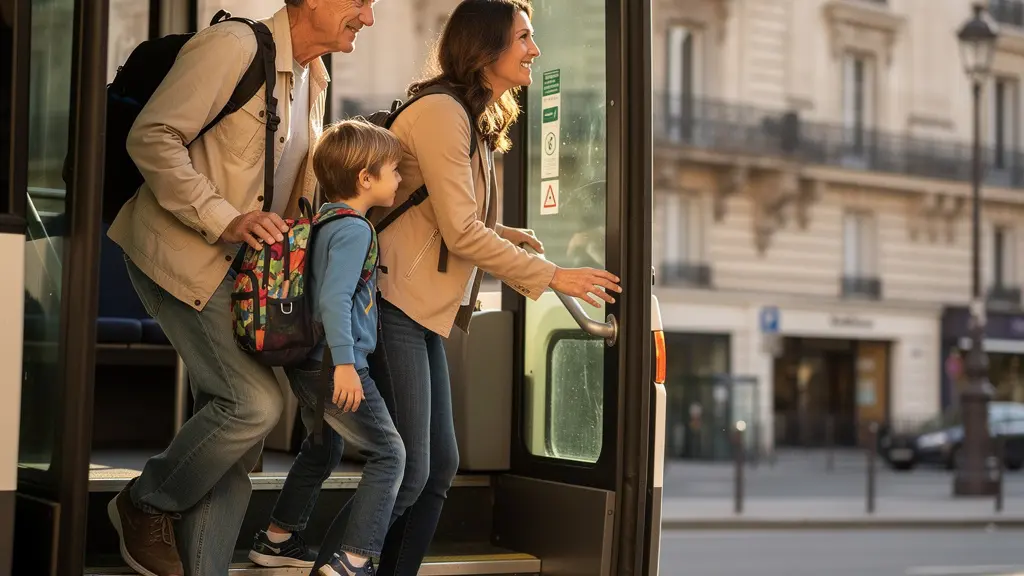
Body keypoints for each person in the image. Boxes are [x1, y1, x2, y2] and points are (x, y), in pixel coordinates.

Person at [104, 2, 377, 575]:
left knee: (235, 439)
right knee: (252, 406)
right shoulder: (233, 47)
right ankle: (143, 501)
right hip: (181, 252)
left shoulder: (315, 78)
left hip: (250, 277)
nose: (368, 17)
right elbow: (151, 137)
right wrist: (224, 217)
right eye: (359, 2)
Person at [370, 1, 621, 573]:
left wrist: (506, 233)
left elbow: (444, 212)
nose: (535, 49)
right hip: (394, 302)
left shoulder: (470, 115)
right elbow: (459, 232)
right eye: (524, 38)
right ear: (486, 49)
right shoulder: (441, 112)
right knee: (412, 470)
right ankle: (338, 564)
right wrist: (555, 276)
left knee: (436, 468)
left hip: (422, 308)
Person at [248, 119, 406, 576]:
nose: (398, 179)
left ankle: (277, 538)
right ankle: (355, 559)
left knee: (322, 450)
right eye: (394, 170)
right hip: (333, 363)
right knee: (389, 454)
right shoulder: (356, 229)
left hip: (307, 360)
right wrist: (347, 365)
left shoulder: (322, 220)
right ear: (365, 178)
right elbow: (334, 298)